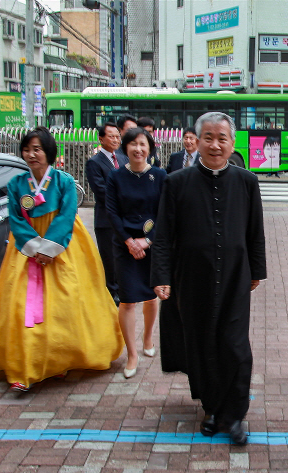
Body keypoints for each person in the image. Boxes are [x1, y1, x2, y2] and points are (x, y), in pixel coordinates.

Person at [151, 112, 266, 446]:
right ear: (197, 141)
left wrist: (256, 270)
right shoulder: (176, 182)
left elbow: (255, 230)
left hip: (235, 276)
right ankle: (212, 408)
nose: (216, 145)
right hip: (191, 277)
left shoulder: (247, 181)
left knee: (235, 345)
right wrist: (161, 275)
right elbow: (163, 235)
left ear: (232, 143)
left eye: (222, 138)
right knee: (200, 343)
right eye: (209, 138)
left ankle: (235, 415)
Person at [0, 127, 123, 392]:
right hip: (25, 250)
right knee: (21, 305)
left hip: (63, 247)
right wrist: (34, 248)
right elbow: (16, 219)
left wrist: (48, 249)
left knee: (66, 304)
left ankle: (60, 359)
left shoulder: (63, 181)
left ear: (48, 151)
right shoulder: (16, 184)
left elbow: (67, 215)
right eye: (27, 150)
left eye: (37, 149)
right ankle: (25, 366)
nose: (31, 154)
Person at [106, 128, 166, 379]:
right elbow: (111, 212)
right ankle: (131, 354)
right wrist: (130, 242)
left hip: (151, 245)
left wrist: (148, 241)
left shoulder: (160, 176)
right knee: (128, 300)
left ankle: (148, 337)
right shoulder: (116, 176)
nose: (138, 149)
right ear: (125, 147)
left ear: (150, 148)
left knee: (152, 296)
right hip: (125, 246)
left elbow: (165, 212)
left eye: (143, 144)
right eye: (133, 144)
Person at [85, 122, 128, 305]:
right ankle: (112, 291)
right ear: (101, 139)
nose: (115, 139)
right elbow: (101, 191)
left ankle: (123, 288)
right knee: (109, 257)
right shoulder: (94, 163)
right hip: (106, 219)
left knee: (124, 254)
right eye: (111, 136)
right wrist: (126, 198)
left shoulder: (124, 159)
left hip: (125, 218)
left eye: (117, 136)